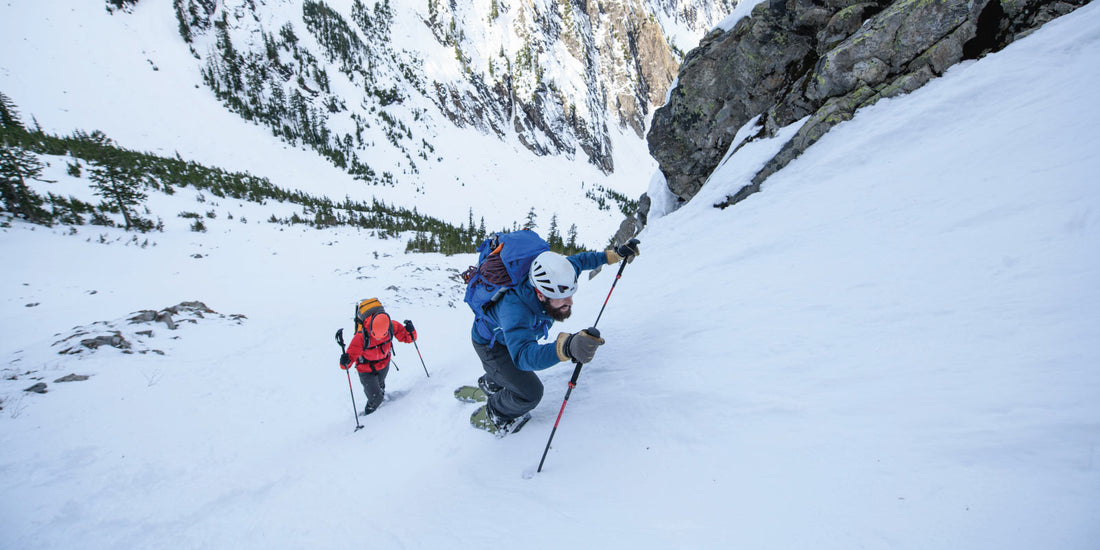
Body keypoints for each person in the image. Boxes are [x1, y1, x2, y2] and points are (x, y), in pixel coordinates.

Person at [469, 239, 640, 434]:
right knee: (530, 393)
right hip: (492, 346)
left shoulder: (559, 277)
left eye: (570, 294)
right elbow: (523, 356)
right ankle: (496, 413)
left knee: (512, 372)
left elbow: (580, 261)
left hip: (509, 337)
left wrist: (613, 255)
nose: (570, 301)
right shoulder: (514, 308)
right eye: (562, 297)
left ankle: (492, 382)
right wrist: (566, 347)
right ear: (540, 295)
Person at [340, 314, 417, 415]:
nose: (378, 339)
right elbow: (347, 362)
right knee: (376, 398)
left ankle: (380, 403)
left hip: (384, 364)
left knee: (381, 385)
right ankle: (370, 415)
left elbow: (408, 338)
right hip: (366, 369)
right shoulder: (361, 336)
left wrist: (411, 331)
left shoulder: (391, 326)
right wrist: (344, 361)